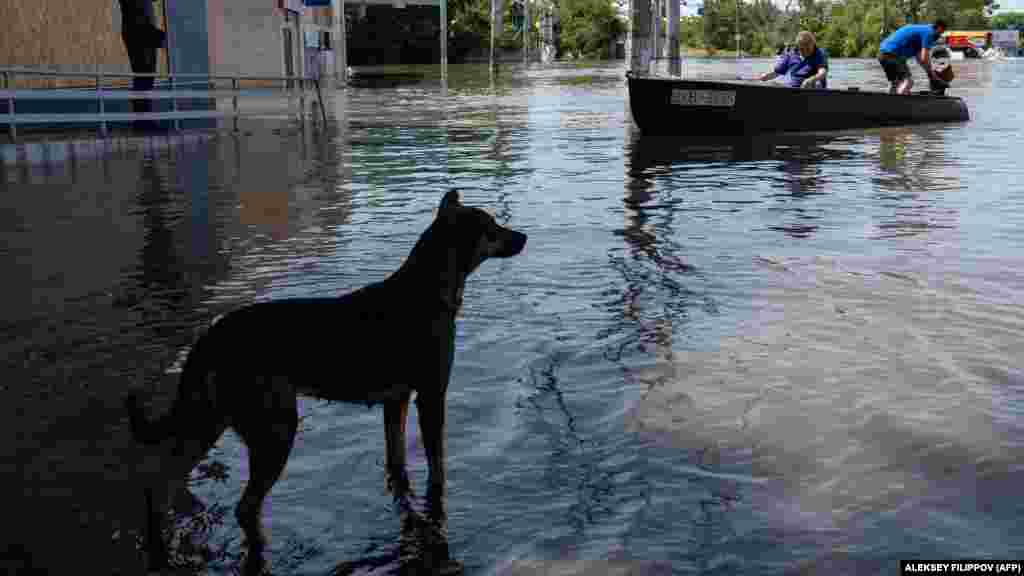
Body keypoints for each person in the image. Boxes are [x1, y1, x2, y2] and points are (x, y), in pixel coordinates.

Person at [118, 0, 166, 128]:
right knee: (144, 76)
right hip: (139, 31)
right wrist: (157, 36)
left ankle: (143, 120)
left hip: (143, 30)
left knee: (146, 77)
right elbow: (136, 15)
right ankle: (143, 121)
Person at [877, 20, 947, 95]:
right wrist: (932, 76)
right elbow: (924, 58)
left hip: (882, 54)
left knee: (896, 83)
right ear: (939, 28)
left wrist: (931, 75)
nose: (939, 35)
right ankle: (899, 103)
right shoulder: (929, 32)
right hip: (892, 54)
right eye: (941, 32)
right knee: (908, 81)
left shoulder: (921, 33)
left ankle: (890, 101)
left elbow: (920, 59)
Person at [757, 31, 828, 89]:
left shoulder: (819, 53)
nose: (805, 51)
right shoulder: (791, 55)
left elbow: (822, 73)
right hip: (794, 89)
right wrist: (763, 77)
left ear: (813, 44)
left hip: (813, 90)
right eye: (802, 49)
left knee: (817, 83)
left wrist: (811, 80)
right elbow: (776, 73)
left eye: (808, 48)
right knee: (774, 84)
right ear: (798, 45)